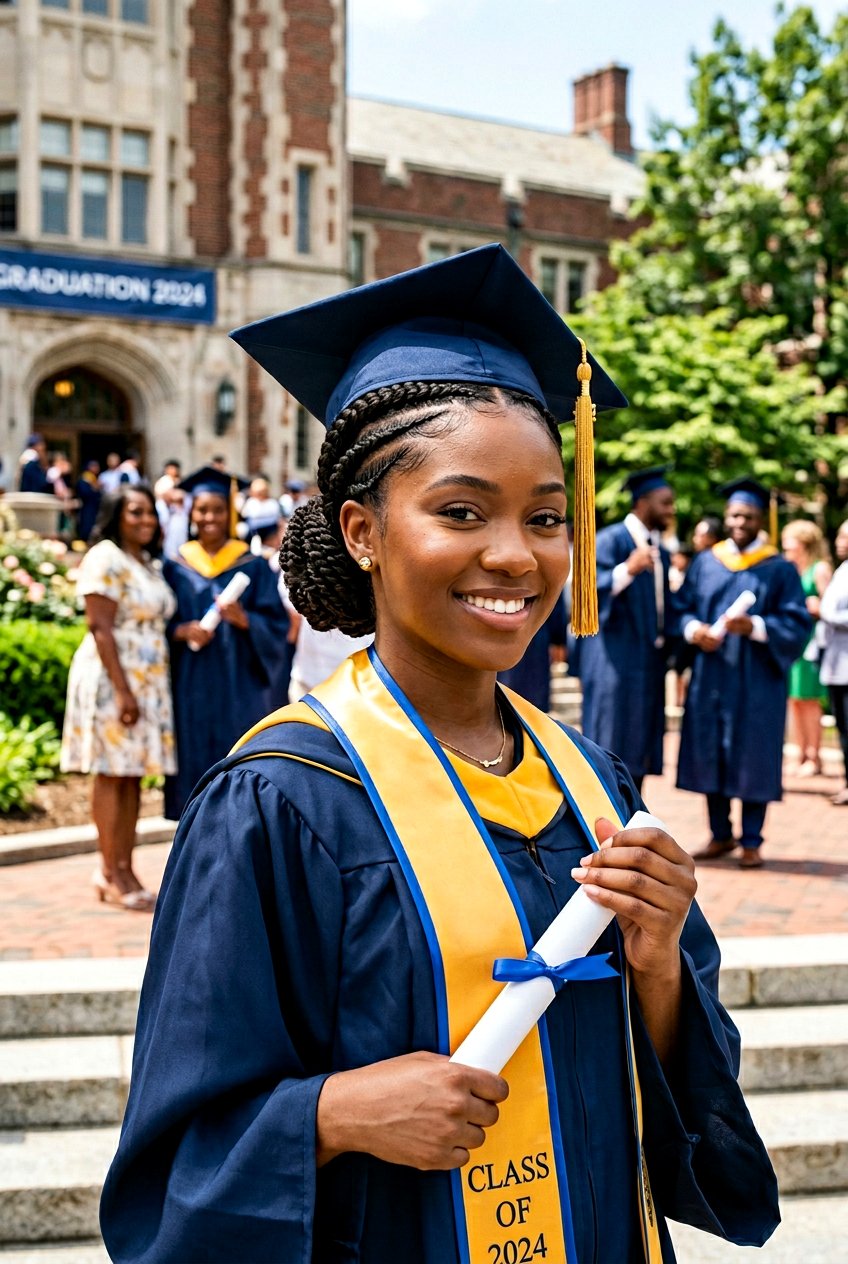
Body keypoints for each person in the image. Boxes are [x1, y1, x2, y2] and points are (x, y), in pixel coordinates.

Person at [100, 245, 778, 1263]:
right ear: (363, 530)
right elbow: (170, 1169)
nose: (515, 553)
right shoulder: (281, 800)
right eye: (460, 511)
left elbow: (681, 1104)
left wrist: (658, 972)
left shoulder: (587, 778)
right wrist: (328, 1113)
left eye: (547, 517)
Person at [677, 478, 811, 868]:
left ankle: (752, 840)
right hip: (712, 675)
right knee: (711, 750)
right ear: (726, 516)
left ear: (760, 520)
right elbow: (681, 607)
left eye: (748, 516)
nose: (740, 522)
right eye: (735, 514)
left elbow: (797, 622)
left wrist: (755, 627)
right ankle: (720, 835)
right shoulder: (706, 561)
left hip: (757, 680)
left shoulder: (779, 569)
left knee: (754, 753)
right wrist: (693, 630)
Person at [60, 485, 176, 910]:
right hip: (115, 678)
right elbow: (100, 627)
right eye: (135, 512)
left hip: (146, 681)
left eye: (151, 513)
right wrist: (124, 692)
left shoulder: (145, 562)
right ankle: (108, 871)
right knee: (111, 774)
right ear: (116, 514)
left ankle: (125, 867)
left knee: (131, 776)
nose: (146, 520)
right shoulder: (105, 556)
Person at [162, 465, 290, 819]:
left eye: (218, 509)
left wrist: (245, 620)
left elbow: (278, 626)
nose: (209, 517)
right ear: (191, 513)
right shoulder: (176, 566)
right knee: (193, 761)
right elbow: (161, 622)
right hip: (192, 684)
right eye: (202, 509)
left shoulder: (251, 566)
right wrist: (181, 630)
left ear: (230, 513)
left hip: (239, 686)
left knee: (238, 758)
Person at [578, 467, 676, 793]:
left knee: (639, 744)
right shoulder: (610, 540)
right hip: (613, 661)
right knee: (610, 739)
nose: (671, 510)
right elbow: (583, 592)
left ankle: (633, 816)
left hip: (648, 661)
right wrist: (626, 570)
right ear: (643, 502)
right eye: (665, 503)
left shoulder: (661, 548)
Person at [781, 519, 832, 775]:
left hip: (813, 642)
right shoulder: (792, 569)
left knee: (810, 701)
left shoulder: (819, 569)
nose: (785, 545)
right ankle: (799, 752)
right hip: (793, 642)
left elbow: (832, 605)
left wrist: (818, 606)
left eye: (790, 540)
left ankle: (814, 755)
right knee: (794, 700)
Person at [820, 519, 848, 805]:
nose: (839, 541)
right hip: (836, 663)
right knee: (842, 728)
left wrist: (827, 615)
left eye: (844, 536)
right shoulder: (842, 569)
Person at [75, 460, 102, 542]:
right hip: (87, 506)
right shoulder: (85, 478)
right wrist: (94, 489)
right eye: (94, 466)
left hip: (94, 507)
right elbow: (84, 492)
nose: (97, 468)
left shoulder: (94, 479)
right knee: (86, 524)